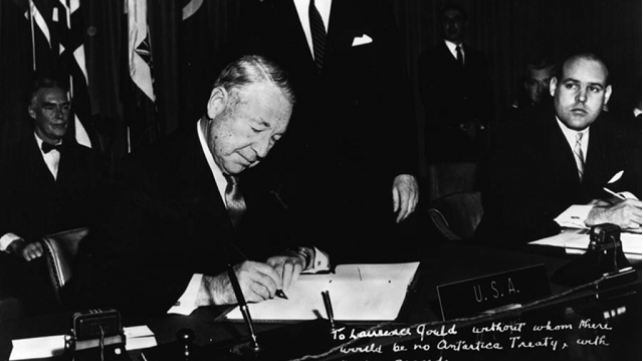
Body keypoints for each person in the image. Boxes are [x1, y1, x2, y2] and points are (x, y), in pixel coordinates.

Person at [81, 56, 329, 316]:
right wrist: (212, 288)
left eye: (275, 138)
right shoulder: (142, 173)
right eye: (256, 128)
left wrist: (297, 255)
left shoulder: (258, 170)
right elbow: (102, 281)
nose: (263, 150)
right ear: (217, 103)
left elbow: (302, 231)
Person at [243, 0, 419, 263]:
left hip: (363, 186)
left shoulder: (369, 8)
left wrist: (404, 169)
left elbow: (396, 92)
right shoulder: (262, 13)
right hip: (291, 191)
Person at [478, 53, 642, 244]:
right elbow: (512, 210)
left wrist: (619, 202)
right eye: (572, 85)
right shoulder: (513, 133)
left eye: (594, 88)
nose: (581, 98)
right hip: (513, 254)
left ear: (606, 95)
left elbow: (634, 183)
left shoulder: (620, 133)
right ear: (554, 87)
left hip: (586, 254)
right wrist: (595, 214)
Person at [0, 78, 104, 313]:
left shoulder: (91, 161)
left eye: (65, 107)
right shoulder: (7, 162)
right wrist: (16, 244)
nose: (60, 115)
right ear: (32, 111)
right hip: (29, 278)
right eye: (50, 107)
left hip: (83, 276)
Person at [418, 4, 492, 162]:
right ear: (440, 26)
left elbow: (487, 96)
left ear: (465, 24)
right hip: (444, 144)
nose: (451, 25)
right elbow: (430, 99)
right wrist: (462, 124)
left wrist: (477, 122)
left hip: (475, 145)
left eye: (456, 20)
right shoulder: (429, 59)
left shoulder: (478, 58)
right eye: (446, 21)